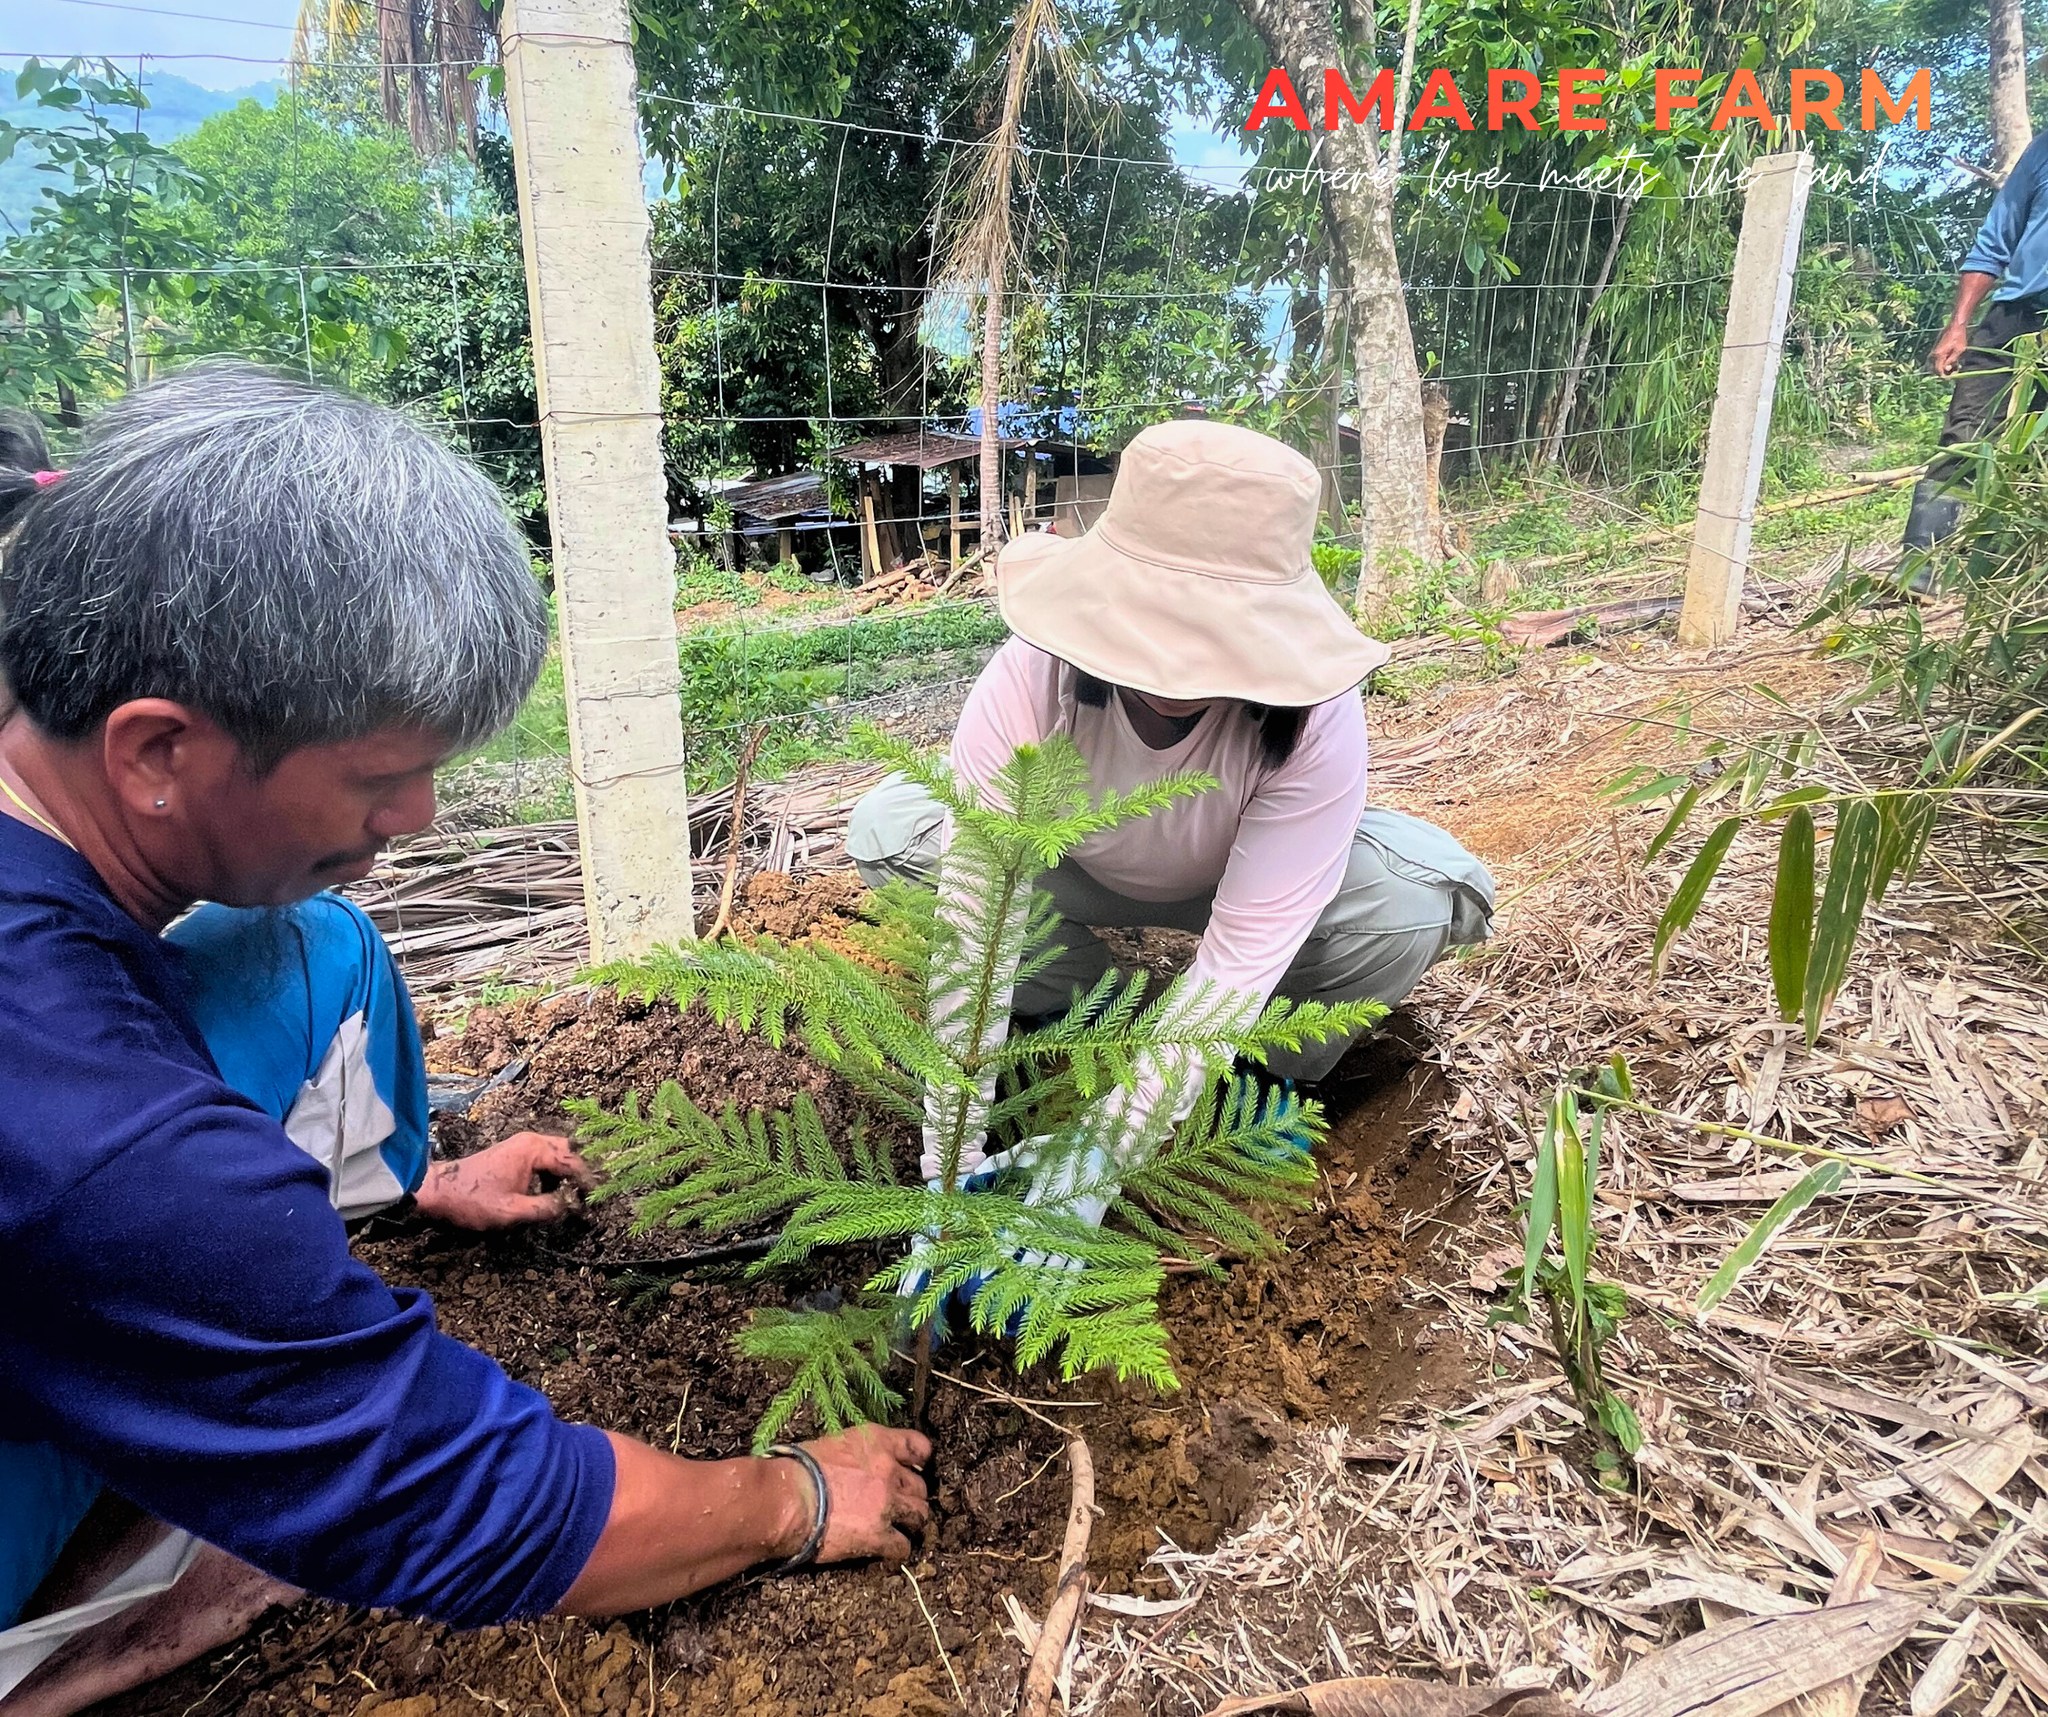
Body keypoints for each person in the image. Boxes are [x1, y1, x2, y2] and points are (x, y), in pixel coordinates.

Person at [0, 364, 929, 1717]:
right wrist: (789, 1496)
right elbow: (465, 1494)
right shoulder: (103, 1139)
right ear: (156, 750)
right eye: (380, 778)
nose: (421, 817)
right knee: (236, 1462)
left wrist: (417, 1180)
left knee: (320, 948)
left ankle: (382, 1179)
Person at [847, 418, 1494, 1214]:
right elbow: (973, 926)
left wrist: (1101, 1154)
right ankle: (1095, 1016)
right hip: (1070, 872)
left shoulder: (1317, 716)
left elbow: (1245, 953)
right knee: (896, 837)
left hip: (1234, 877)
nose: (1175, 666)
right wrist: (948, 1164)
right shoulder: (1032, 675)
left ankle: (1248, 1079)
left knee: (1408, 906)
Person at [1905, 132, 2048, 550]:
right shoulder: (2041, 152)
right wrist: (1958, 325)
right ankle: (1921, 566)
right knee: (1966, 435)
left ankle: (2019, 559)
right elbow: (1993, 242)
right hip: (2016, 318)